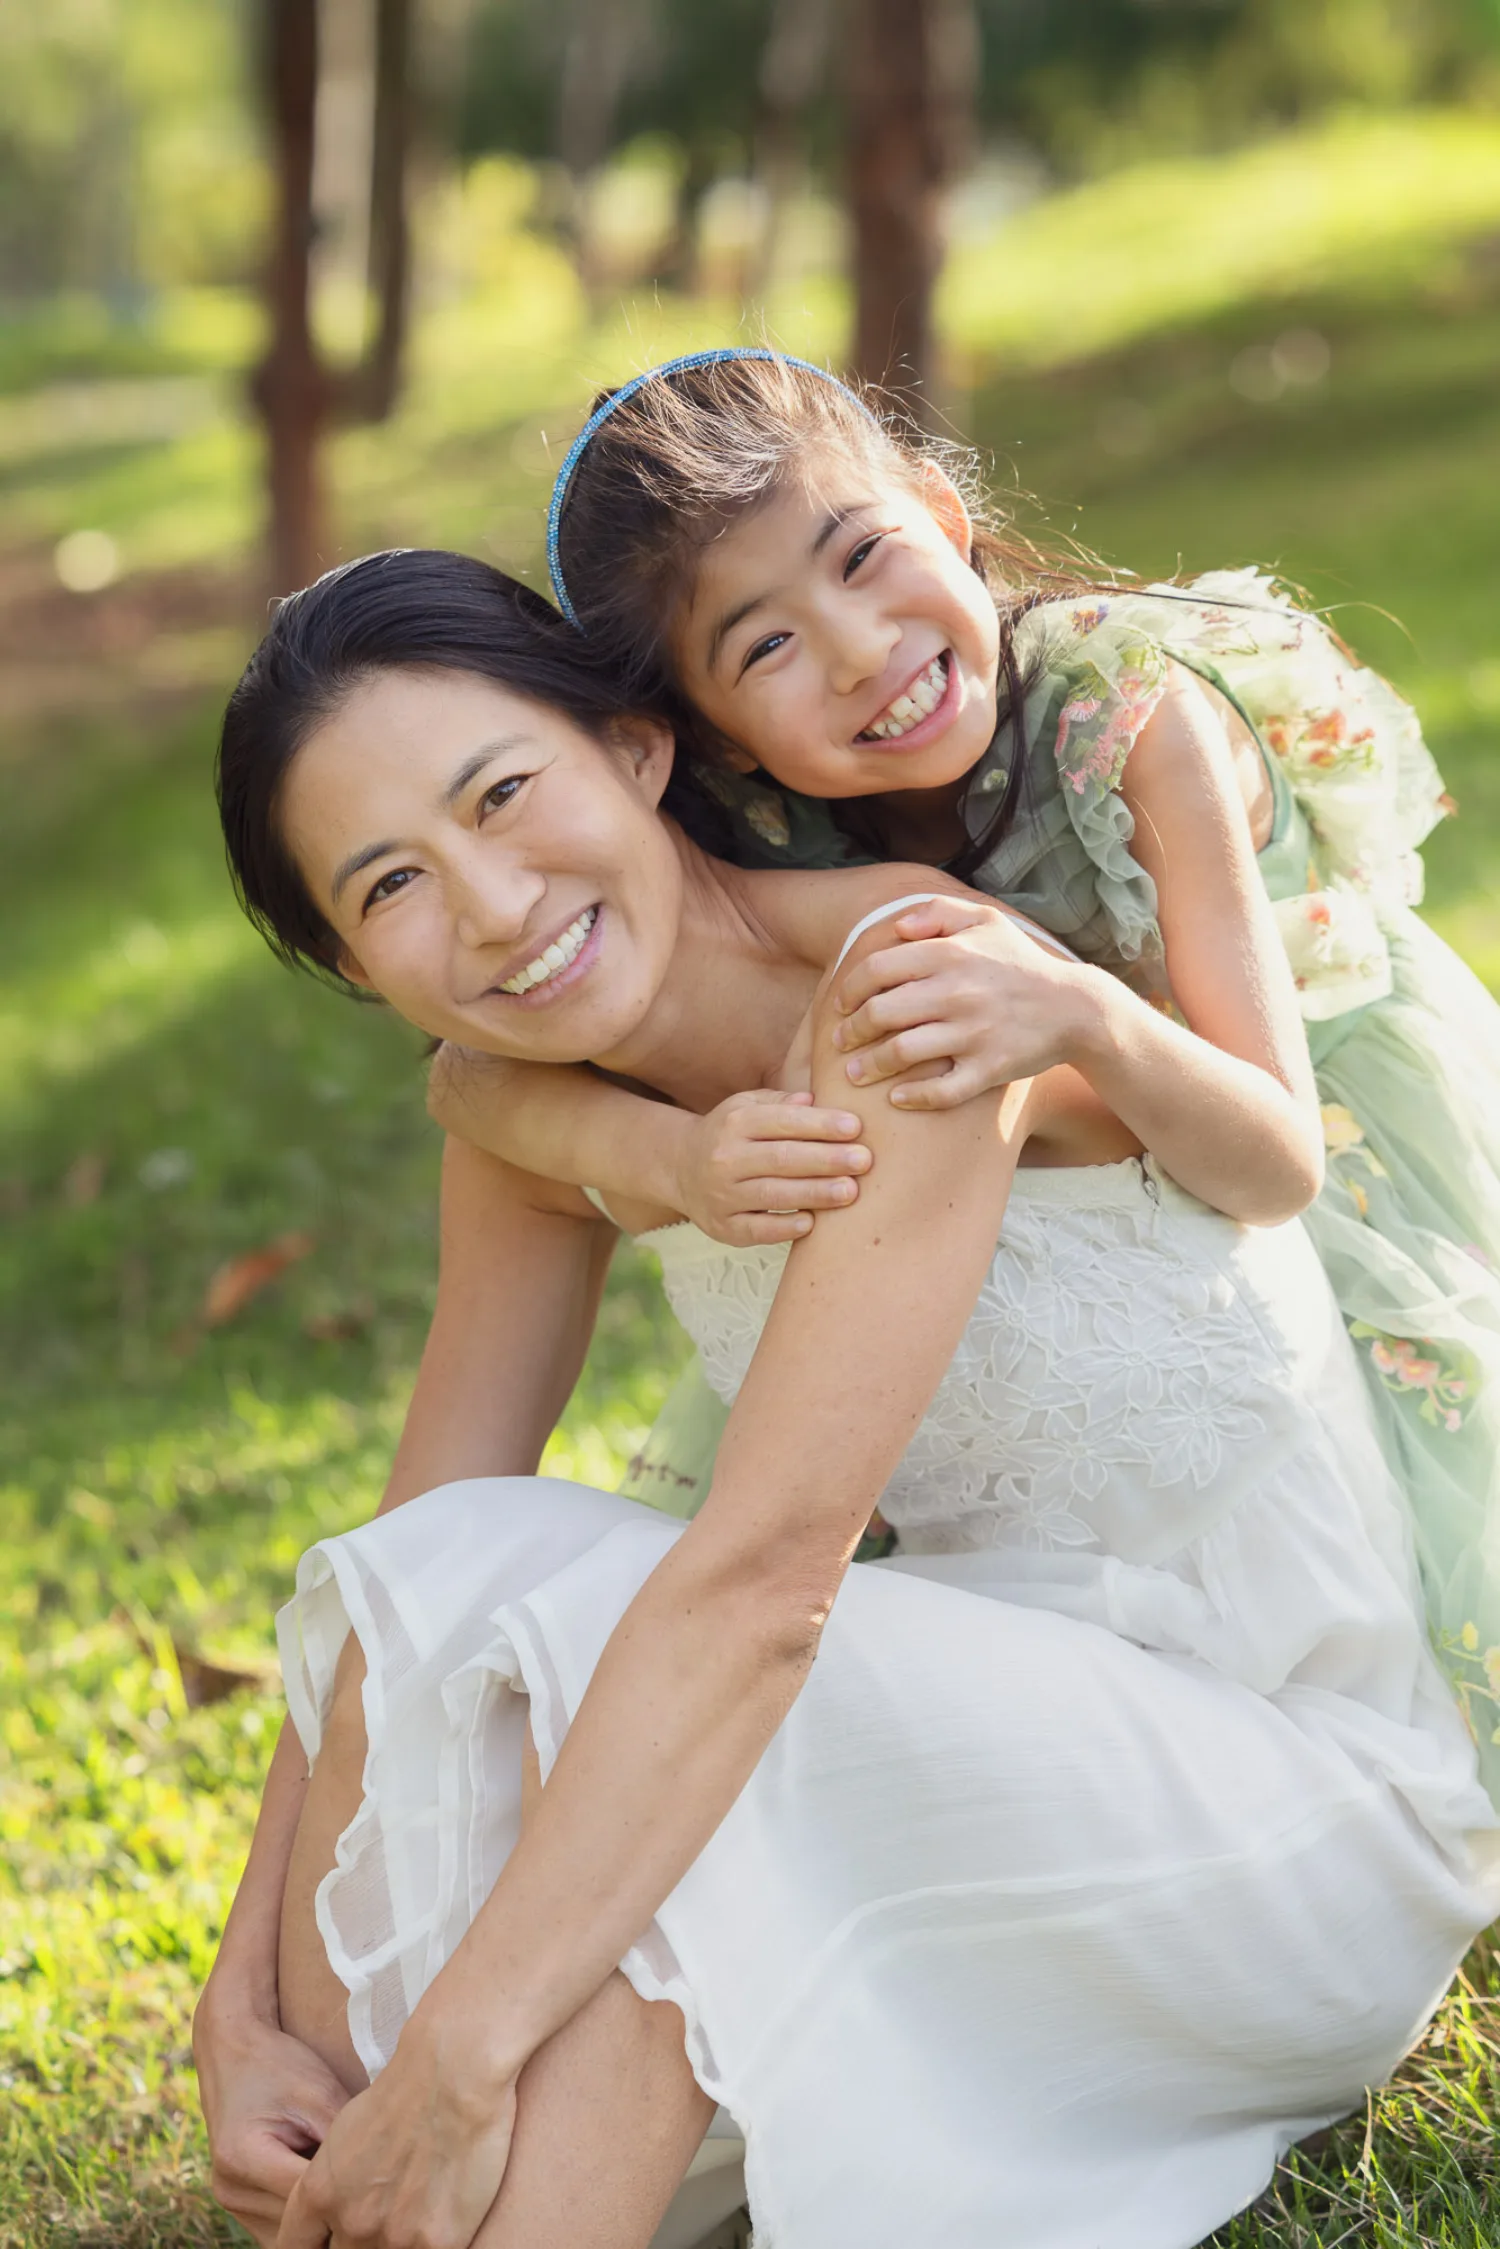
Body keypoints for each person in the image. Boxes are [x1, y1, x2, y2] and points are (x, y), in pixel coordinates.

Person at [196, 549, 1500, 2249]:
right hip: (960, 1760)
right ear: (359, 969)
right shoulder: (536, 1126)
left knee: (698, 1708)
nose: (498, 906)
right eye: (393, 886)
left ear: (637, 750)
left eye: (504, 794)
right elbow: (393, 1591)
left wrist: (465, 2046)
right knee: (469, 1566)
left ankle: (447, 2129)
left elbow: (766, 1590)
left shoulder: (917, 993)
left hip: (1285, 1820)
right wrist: (241, 2010)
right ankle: (367, 2148)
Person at [436, 344, 1500, 1787]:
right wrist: (662, 1158)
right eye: (765, 646)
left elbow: (1276, 1160)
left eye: (864, 555)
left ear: (941, 509)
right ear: (704, 744)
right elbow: (472, 1084)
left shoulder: (1136, 721)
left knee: (1446, 1544)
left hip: (1316, 1127)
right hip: (1067, 1197)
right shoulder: (776, 841)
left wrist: (1086, 1015)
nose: (862, 648)